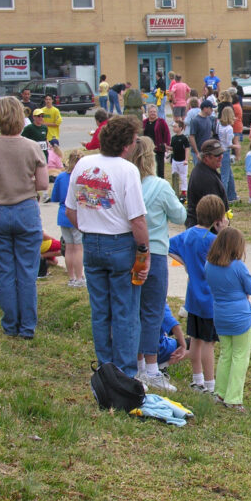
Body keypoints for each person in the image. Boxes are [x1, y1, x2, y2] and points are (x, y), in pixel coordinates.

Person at [64, 115, 148, 373]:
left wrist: (91, 227)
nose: (135, 144)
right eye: (134, 140)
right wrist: (144, 252)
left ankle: (105, 369)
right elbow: (137, 220)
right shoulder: (127, 170)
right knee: (125, 312)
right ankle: (124, 373)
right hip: (120, 243)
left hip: (91, 242)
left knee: (100, 311)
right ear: (125, 145)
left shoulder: (83, 164)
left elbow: (70, 210)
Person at [0, 96, 48, 339]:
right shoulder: (32, 146)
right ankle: (27, 327)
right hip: (25, 209)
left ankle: (10, 324)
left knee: (4, 272)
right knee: (27, 272)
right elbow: (43, 184)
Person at [129, 136, 187, 392]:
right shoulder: (159, 186)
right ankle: (152, 368)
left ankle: (137, 363)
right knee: (152, 309)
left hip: (129, 251)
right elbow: (179, 215)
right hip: (155, 251)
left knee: (132, 308)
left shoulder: (126, 183)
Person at [169, 194, 228, 394]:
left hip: (192, 298)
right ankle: (210, 384)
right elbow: (229, 259)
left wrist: (186, 263)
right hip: (209, 300)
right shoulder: (213, 240)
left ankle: (197, 379)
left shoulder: (188, 235)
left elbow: (168, 246)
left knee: (195, 339)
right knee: (209, 343)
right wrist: (223, 232)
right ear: (217, 219)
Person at [205, 227, 251, 412]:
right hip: (240, 315)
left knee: (225, 353)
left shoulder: (209, 265)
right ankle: (234, 398)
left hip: (220, 313)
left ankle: (220, 392)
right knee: (240, 356)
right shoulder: (237, 266)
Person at [50, 148, 85, 286]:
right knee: (79, 247)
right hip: (77, 215)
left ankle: (71, 278)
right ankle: (80, 277)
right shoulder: (82, 178)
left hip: (63, 214)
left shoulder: (61, 177)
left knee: (69, 247)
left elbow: (55, 197)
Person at [185, 140, 228, 227]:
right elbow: (213, 210)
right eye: (217, 155)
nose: (221, 157)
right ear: (206, 157)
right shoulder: (205, 178)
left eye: (221, 153)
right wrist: (222, 229)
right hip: (206, 228)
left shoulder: (205, 170)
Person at [141, 104, 170, 180]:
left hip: (158, 149)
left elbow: (167, 134)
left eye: (154, 111)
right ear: (148, 113)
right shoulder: (144, 122)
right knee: (148, 168)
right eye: (151, 112)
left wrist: (166, 144)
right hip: (147, 150)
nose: (152, 113)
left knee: (159, 169)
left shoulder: (161, 122)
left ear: (157, 112)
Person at [216, 107, 237, 203]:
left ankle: (232, 195)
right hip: (226, 151)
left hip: (220, 149)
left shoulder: (219, 125)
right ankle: (223, 198)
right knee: (225, 176)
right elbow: (229, 144)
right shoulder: (229, 128)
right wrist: (236, 146)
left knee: (229, 174)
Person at [169, 120, 190, 200]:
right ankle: (175, 189)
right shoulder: (173, 138)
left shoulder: (184, 138)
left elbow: (187, 149)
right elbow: (172, 148)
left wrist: (186, 159)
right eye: (173, 127)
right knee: (174, 174)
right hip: (175, 160)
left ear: (181, 128)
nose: (174, 128)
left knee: (183, 176)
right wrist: (166, 147)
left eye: (175, 127)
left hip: (182, 161)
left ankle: (184, 192)